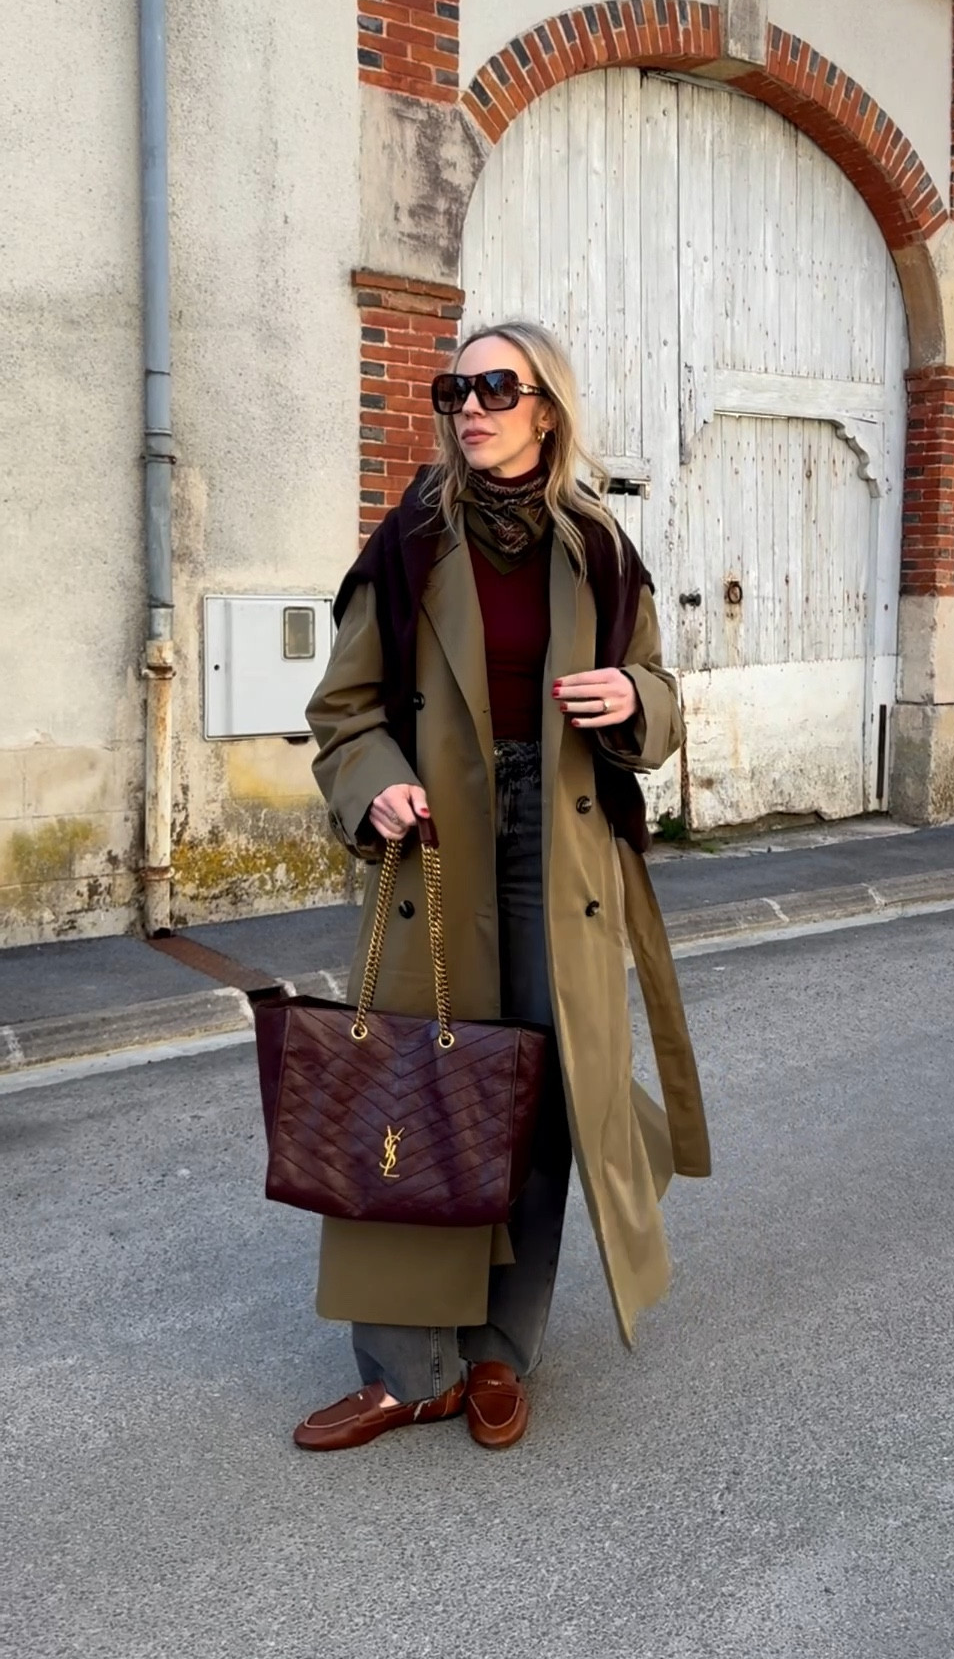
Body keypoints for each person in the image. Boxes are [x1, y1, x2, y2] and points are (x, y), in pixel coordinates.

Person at [298, 320, 710, 1453]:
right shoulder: (409, 546)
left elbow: (663, 698)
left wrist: (635, 701)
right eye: (456, 388)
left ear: (545, 410)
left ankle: (496, 1354)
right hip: (438, 849)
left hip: (561, 851)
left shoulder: (601, 549)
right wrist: (373, 783)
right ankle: (405, 1368)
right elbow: (342, 713)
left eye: (496, 387)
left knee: (536, 1106)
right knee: (416, 1098)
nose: (470, 406)